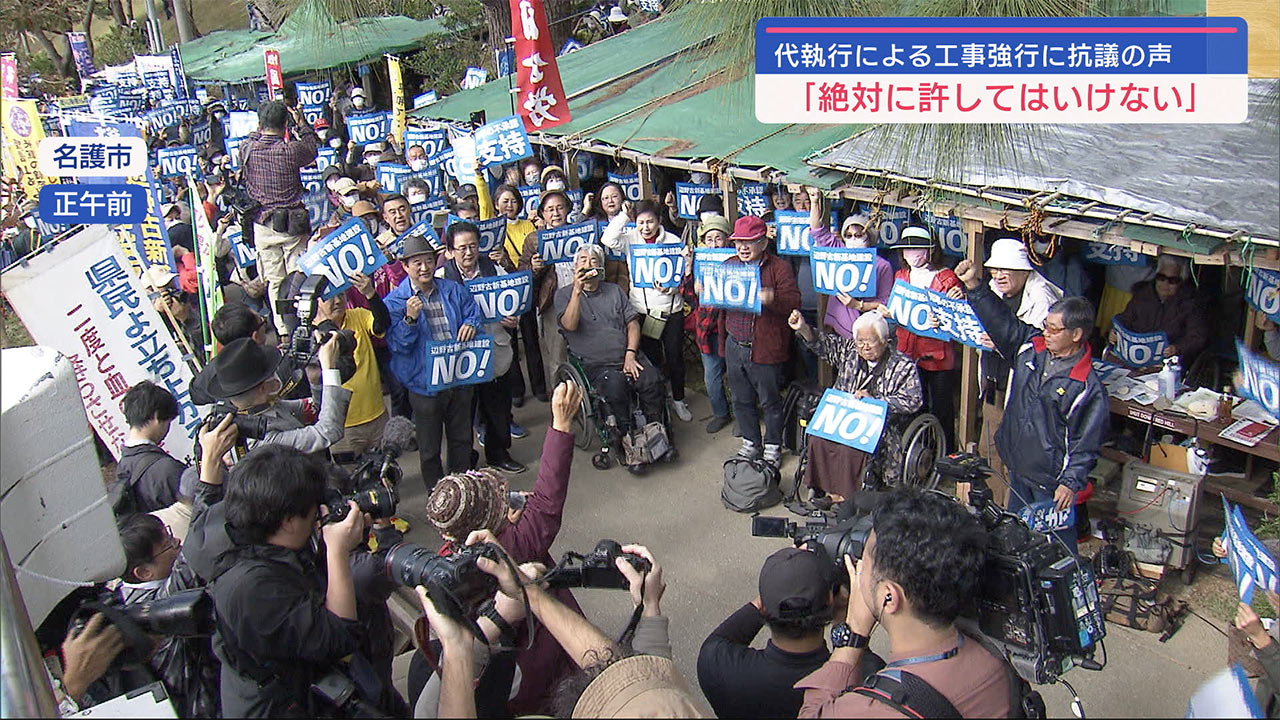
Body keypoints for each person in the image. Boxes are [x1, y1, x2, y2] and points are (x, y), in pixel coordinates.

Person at [413, 380, 585, 715]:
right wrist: (561, 425)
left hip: (507, 695)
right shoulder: (515, 547)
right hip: (553, 671)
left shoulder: (444, 566)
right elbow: (548, 502)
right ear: (490, 522)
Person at [430, 531, 703, 718]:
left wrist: (460, 647)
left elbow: (640, 688)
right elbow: (646, 686)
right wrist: (650, 609)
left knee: (422, 670)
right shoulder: (661, 702)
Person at [185, 445, 368, 718]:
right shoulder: (252, 588)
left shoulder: (240, 524)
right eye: (311, 511)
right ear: (287, 522)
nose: (318, 514)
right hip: (275, 707)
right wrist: (337, 550)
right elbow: (339, 636)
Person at [797, 489, 1011, 718]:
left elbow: (812, 713)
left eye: (864, 561)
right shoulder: (1000, 660)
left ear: (889, 597)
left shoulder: (871, 710)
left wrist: (852, 635)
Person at [957, 257, 1108, 548]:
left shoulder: (1086, 387)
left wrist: (1070, 482)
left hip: (1050, 483)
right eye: (1045, 326)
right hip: (1017, 466)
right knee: (1015, 537)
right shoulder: (1031, 347)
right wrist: (975, 286)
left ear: (1076, 335)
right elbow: (1002, 322)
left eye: (1053, 329)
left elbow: (1085, 442)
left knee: (1055, 548)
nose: (1045, 333)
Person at [698, 547, 883, 719]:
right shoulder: (867, 674)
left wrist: (782, 577)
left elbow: (721, 638)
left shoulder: (715, 664)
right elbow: (852, 656)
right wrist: (844, 619)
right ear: (830, 599)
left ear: (765, 604)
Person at [556, 244, 668, 473]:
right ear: (575, 266)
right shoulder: (564, 294)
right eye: (583, 261)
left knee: (651, 379)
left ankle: (658, 436)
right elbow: (569, 325)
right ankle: (628, 445)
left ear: (601, 267)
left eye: (594, 261)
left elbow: (633, 323)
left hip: (626, 356)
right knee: (615, 386)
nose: (588, 265)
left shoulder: (614, 291)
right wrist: (577, 290)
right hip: (595, 364)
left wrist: (630, 354)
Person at [385, 234, 483, 490]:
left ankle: (462, 492)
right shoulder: (395, 302)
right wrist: (410, 319)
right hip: (424, 385)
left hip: (459, 377)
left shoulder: (451, 289)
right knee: (429, 448)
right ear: (405, 267)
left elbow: (474, 311)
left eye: (428, 260)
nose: (424, 267)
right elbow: (398, 346)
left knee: (462, 439)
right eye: (416, 263)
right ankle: (437, 494)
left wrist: (471, 324)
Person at [791, 311, 923, 501]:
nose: (864, 347)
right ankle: (820, 486)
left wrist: (877, 401)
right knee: (819, 438)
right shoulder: (850, 352)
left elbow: (914, 400)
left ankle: (843, 496)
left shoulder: (903, 366)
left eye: (871, 341)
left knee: (850, 448)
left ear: (885, 340)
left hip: (879, 425)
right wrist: (803, 328)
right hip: (842, 417)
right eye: (860, 341)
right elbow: (824, 344)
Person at [972, 236, 1063, 506]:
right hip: (992, 383)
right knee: (990, 450)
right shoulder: (992, 291)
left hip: (1019, 392)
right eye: (994, 270)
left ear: (1023, 269)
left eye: (1005, 270)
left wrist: (1001, 345)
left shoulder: (1042, 297)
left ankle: (1012, 513)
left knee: (1014, 457)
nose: (999, 276)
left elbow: (1035, 349)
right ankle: (992, 508)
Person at [438, 220, 527, 474]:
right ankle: (464, 461)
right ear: (451, 251)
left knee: (498, 407)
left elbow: (513, 303)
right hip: (462, 356)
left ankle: (499, 454)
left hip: (495, 350)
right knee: (462, 413)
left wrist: (513, 317)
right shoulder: (443, 277)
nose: (468, 253)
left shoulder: (493, 269)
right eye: (462, 248)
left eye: (473, 246)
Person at [864, 225, 961, 452]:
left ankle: (946, 454)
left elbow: (958, 316)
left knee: (941, 408)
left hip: (938, 357)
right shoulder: (901, 276)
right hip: (908, 353)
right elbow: (896, 309)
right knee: (914, 405)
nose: (913, 253)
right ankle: (918, 453)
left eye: (918, 248)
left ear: (930, 250)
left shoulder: (947, 279)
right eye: (908, 249)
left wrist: (945, 317)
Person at [719, 215, 802, 466]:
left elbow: (794, 303)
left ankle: (773, 447)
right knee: (740, 398)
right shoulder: (728, 265)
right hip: (735, 344)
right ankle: (750, 442)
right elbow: (717, 303)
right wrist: (704, 288)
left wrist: (772, 298)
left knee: (770, 401)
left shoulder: (779, 268)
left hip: (764, 348)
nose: (743, 248)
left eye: (750, 242)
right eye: (738, 242)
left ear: (764, 243)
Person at [601, 198, 693, 422]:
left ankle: (679, 399)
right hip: (642, 310)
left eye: (650, 222)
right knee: (650, 359)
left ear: (659, 221)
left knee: (674, 357)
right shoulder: (631, 239)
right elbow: (607, 239)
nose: (645, 227)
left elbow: (685, 274)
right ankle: (656, 399)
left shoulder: (672, 241)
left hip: (671, 310)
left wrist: (672, 286)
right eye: (641, 222)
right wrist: (624, 216)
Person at [238, 100, 319, 336]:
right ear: (285, 124)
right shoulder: (290, 150)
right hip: (292, 225)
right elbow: (312, 147)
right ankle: (303, 324)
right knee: (297, 277)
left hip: (262, 224)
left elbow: (254, 136)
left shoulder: (247, 148)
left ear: (260, 123)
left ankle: (283, 331)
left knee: (274, 281)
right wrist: (301, 122)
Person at [198, 333, 352, 455]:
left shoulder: (259, 407)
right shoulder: (259, 438)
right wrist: (329, 368)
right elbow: (327, 432)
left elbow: (313, 409)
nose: (276, 373)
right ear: (264, 387)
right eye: (271, 373)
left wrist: (315, 380)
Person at [315, 272, 390, 458]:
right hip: (343, 427)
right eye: (329, 297)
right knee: (348, 481)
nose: (337, 301)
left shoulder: (358, 315)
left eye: (340, 294)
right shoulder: (311, 333)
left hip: (377, 417)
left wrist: (370, 294)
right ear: (317, 302)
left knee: (386, 476)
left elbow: (381, 324)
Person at [805, 187, 892, 339]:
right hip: (838, 326)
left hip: (868, 329)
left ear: (869, 237)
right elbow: (817, 230)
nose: (853, 239)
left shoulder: (882, 265)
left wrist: (859, 305)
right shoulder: (838, 250)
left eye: (859, 235)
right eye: (848, 235)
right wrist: (814, 201)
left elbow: (885, 302)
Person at [520, 189, 576, 393]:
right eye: (550, 209)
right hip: (552, 303)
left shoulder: (578, 232)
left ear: (568, 209)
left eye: (560, 207)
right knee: (557, 355)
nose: (556, 213)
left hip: (582, 298)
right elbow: (522, 273)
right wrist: (533, 269)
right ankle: (560, 402)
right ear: (542, 214)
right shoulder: (534, 239)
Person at [1112, 254, 1210, 368]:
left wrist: (1177, 348)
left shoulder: (1191, 303)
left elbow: (1197, 337)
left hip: (1168, 363)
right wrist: (1115, 331)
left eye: (1172, 280)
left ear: (1181, 281)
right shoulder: (1142, 293)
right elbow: (1125, 318)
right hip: (1135, 357)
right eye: (1161, 277)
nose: (1165, 284)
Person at [686, 215, 733, 433]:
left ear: (727, 241)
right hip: (707, 330)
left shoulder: (736, 260)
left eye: (719, 239)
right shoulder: (697, 261)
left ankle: (743, 417)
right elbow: (686, 295)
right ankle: (721, 413)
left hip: (730, 330)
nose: (714, 244)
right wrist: (690, 278)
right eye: (709, 239)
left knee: (736, 376)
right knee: (711, 377)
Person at [113, 381, 189, 515]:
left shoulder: (123, 466)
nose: (167, 430)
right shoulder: (167, 469)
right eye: (168, 422)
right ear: (156, 416)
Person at [115, 513, 181, 606]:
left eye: (170, 535)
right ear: (144, 572)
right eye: (168, 545)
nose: (177, 541)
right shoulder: (150, 604)